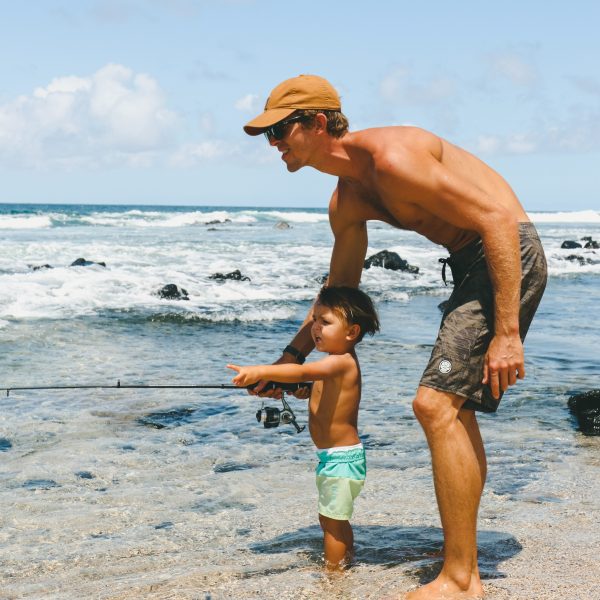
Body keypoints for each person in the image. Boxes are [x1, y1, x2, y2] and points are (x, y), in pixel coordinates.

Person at [242, 74, 547, 599]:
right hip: (472, 264)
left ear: (317, 123)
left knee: (434, 406)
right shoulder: (347, 200)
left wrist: (507, 334)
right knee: (452, 410)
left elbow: (498, 221)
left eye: (280, 131)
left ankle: (459, 580)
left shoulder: (393, 158)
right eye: (266, 136)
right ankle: (462, 557)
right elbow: (340, 292)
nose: (273, 145)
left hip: (504, 256)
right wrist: (292, 357)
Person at [227, 285, 379, 570]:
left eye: (326, 322)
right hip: (332, 458)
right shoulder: (331, 367)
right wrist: (304, 391)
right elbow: (314, 384)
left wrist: (261, 370)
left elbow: (301, 370)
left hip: (341, 459)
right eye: (316, 320)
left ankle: (334, 578)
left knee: (333, 523)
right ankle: (346, 563)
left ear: (351, 332)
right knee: (331, 519)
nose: (316, 328)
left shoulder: (341, 362)